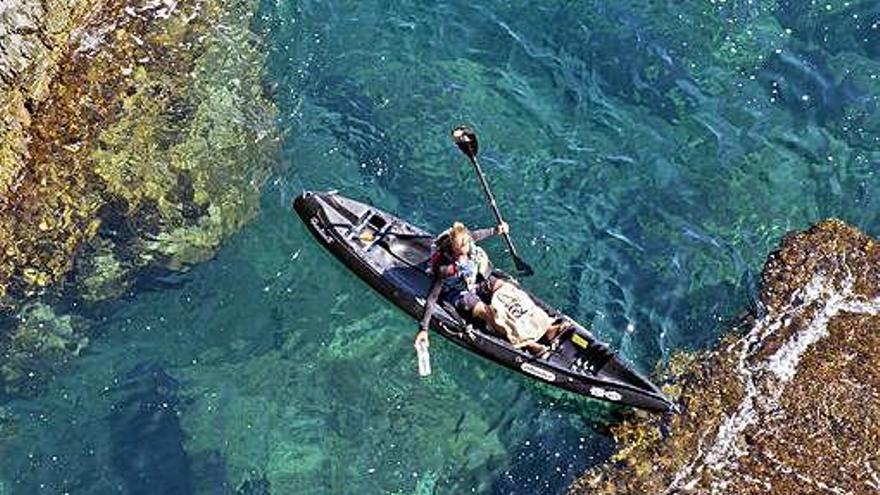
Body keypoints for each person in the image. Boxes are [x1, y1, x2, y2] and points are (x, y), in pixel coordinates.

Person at [414, 221, 561, 355]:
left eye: (464, 252)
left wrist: (498, 229)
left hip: (476, 281)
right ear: (453, 249)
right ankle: (528, 344)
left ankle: (547, 327)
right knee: (490, 314)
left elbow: (481, 233)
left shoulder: (468, 240)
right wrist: (423, 329)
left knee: (510, 291)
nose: (461, 256)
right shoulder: (445, 268)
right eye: (458, 253)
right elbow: (433, 297)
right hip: (459, 293)